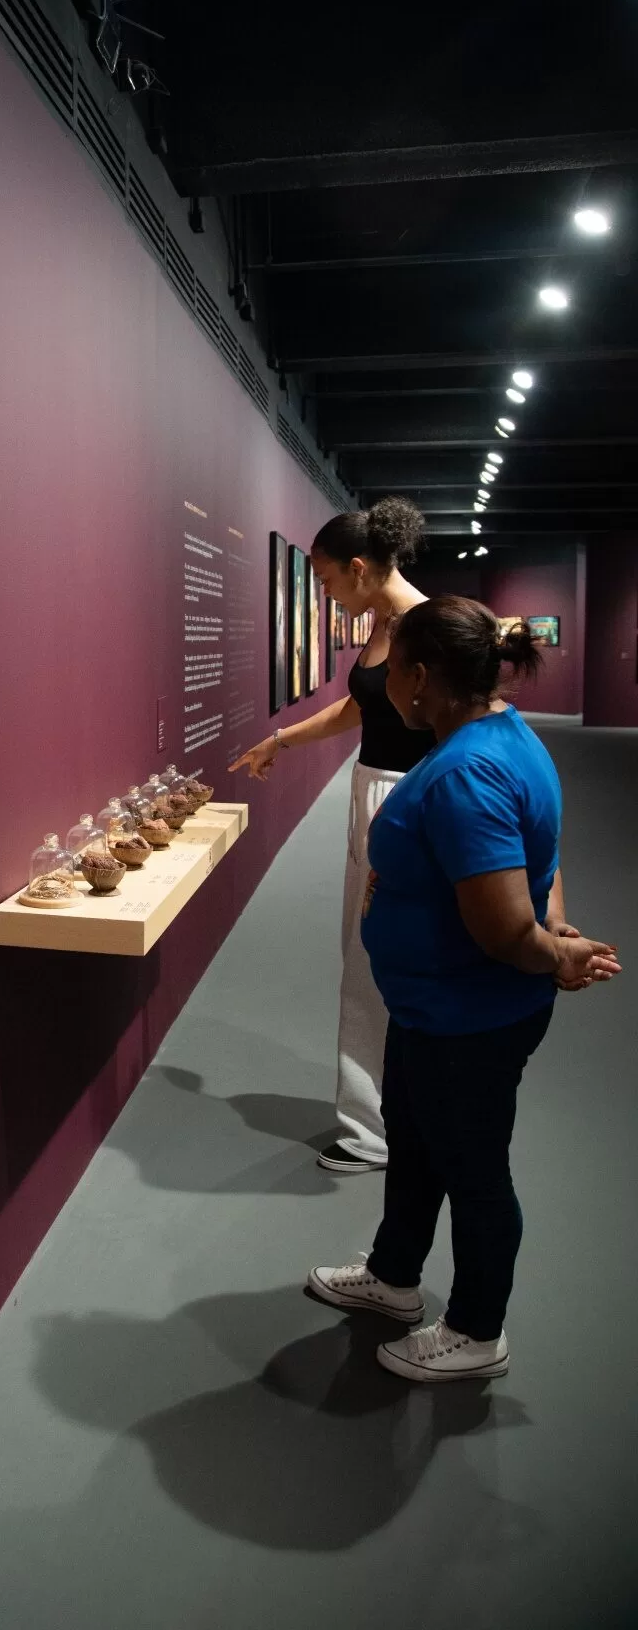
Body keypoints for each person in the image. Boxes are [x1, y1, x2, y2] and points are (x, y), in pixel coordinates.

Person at [308, 598, 620, 1381]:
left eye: (393, 673)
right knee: (415, 1145)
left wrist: (554, 954)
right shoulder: (498, 734)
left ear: (419, 677)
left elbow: (506, 930)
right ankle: (394, 1275)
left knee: (475, 1171)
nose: (386, 687)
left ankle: (478, 1331)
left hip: (467, 1018)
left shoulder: (468, 774)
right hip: (433, 1010)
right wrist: (556, 929)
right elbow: (542, 860)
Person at [231, 497, 431, 1173]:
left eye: (325, 579)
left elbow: (460, 725)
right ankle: (382, 1117)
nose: (324, 593)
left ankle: (378, 1131)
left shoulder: (424, 627)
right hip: (377, 792)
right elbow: (362, 706)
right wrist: (281, 739)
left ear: (358, 568)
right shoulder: (386, 623)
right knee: (368, 956)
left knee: (382, 960)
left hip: (405, 801)